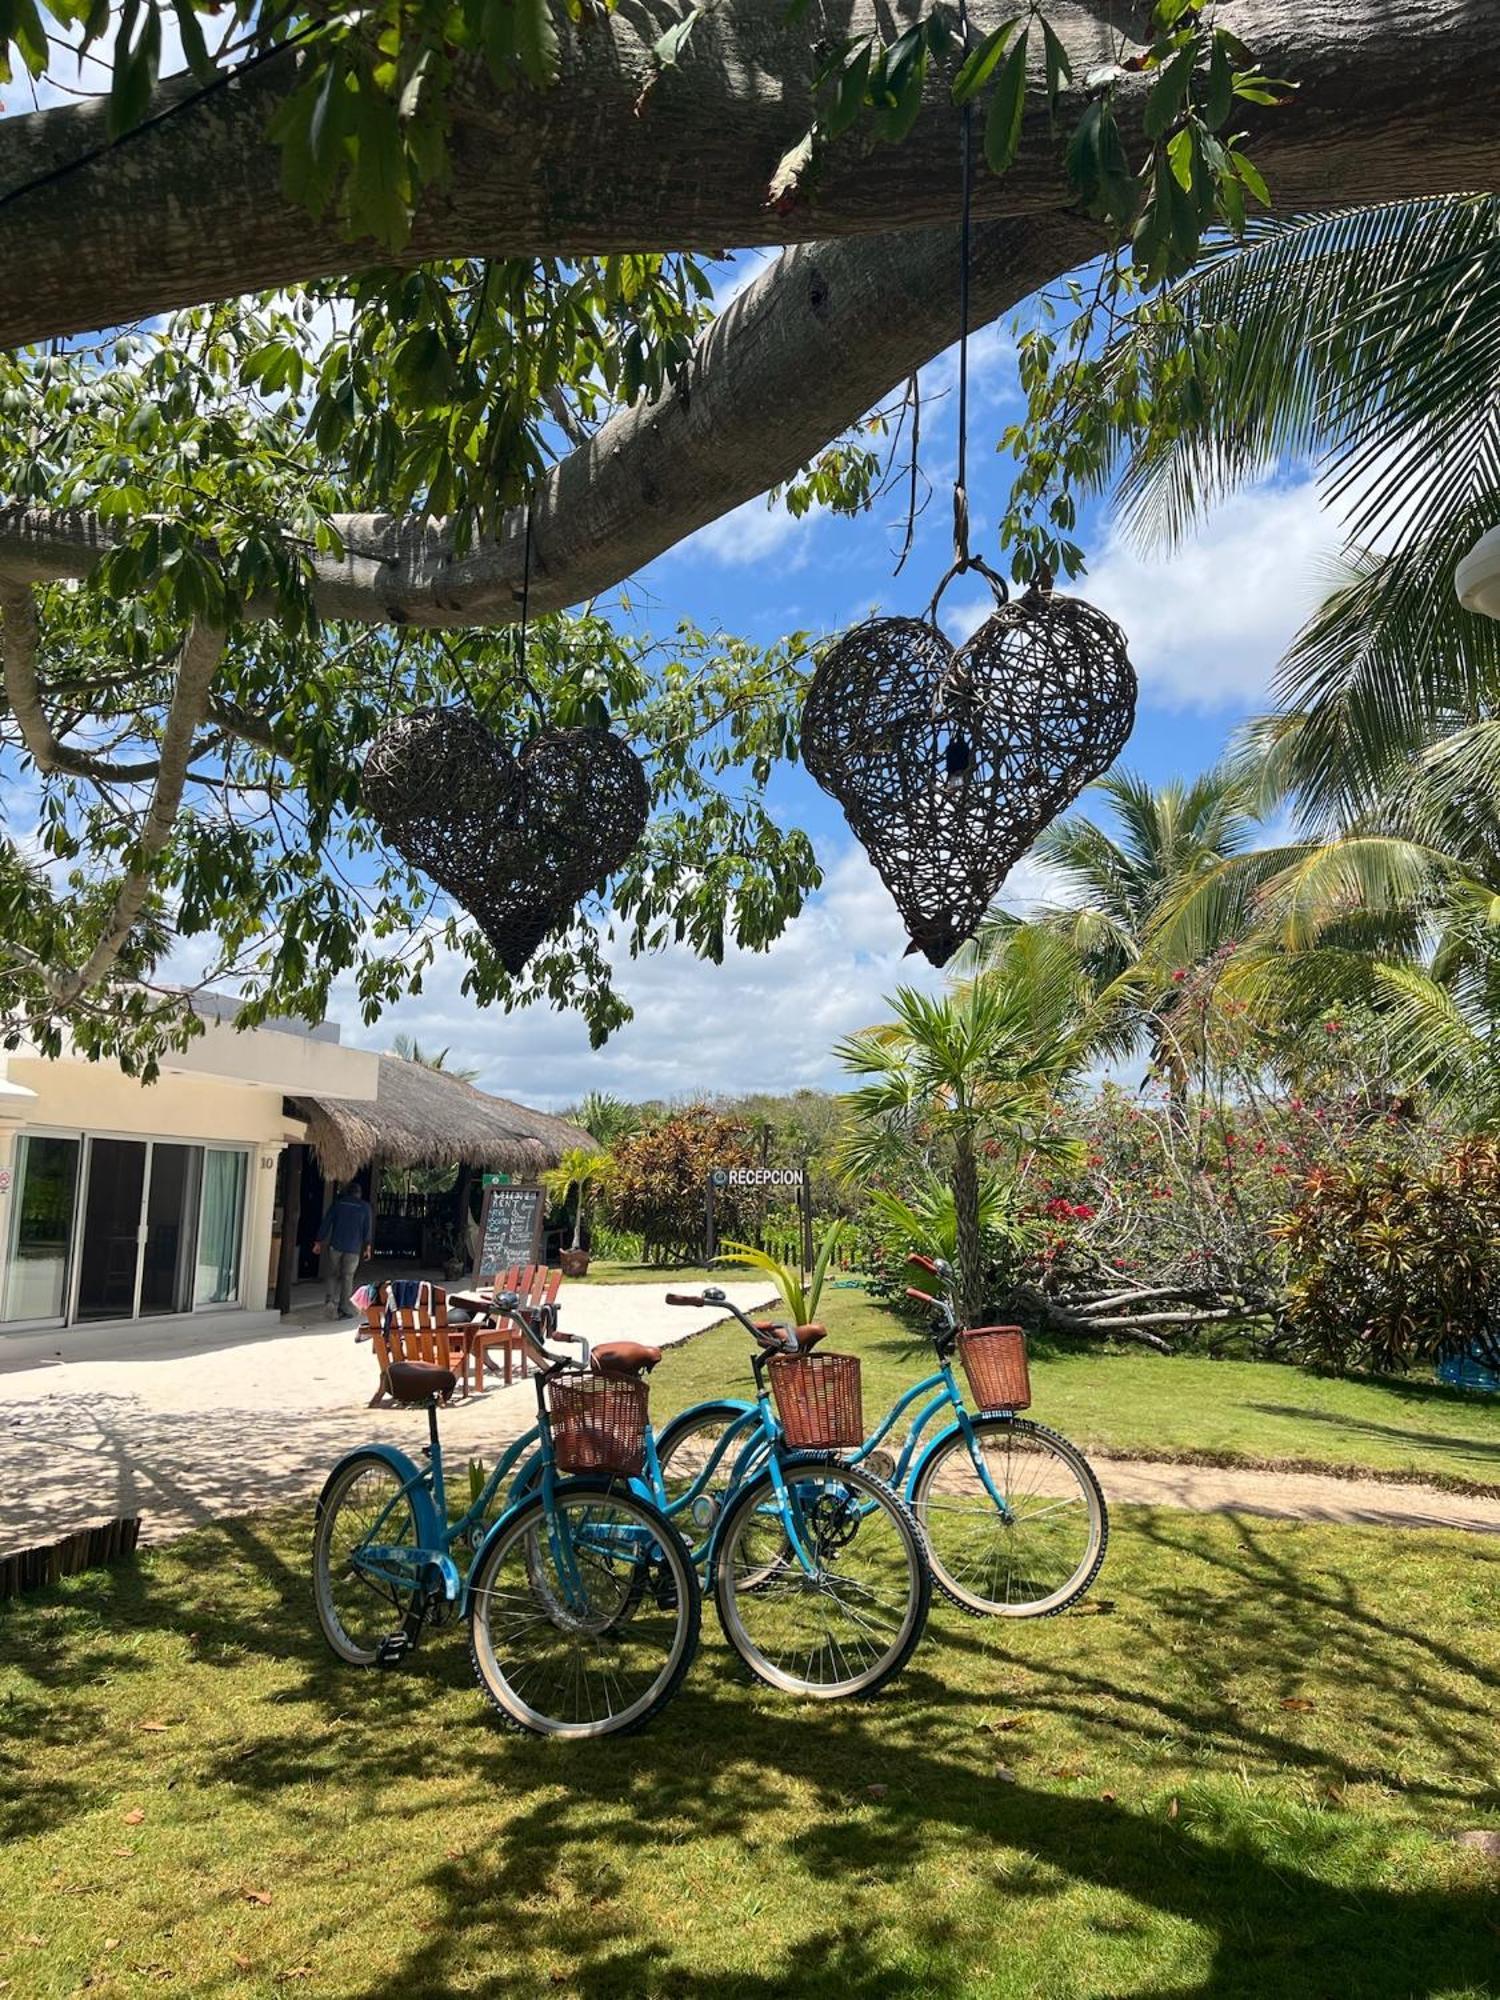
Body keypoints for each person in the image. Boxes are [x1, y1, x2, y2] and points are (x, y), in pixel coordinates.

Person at [314, 1179, 374, 1320]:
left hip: (336, 1246)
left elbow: (326, 1222)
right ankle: (344, 1308)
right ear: (359, 1194)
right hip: (353, 1248)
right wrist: (368, 1247)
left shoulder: (338, 1204)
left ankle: (329, 1301)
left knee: (332, 1274)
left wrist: (318, 1241)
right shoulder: (365, 1207)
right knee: (348, 1277)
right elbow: (367, 1229)